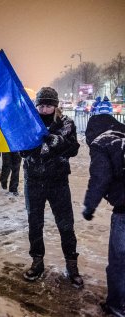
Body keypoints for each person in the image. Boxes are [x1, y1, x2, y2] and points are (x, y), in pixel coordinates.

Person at [20, 87, 82, 287]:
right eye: (41, 105)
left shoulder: (66, 124)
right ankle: (37, 261)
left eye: (48, 105)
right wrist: (32, 144)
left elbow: (74, 149)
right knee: (35, 223)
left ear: (56, 106)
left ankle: (72, 265)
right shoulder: (29, 124)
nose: (44, 109)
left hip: (58, 182)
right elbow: (22, 152)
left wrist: (57, 142)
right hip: (34, 181)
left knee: (66, 224)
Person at [82, 110, 125, 316]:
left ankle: (117, 306)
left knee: (119, 262)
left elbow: (100, 178)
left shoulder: (102, 142)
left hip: (124, 211)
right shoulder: (122, 136)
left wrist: (89, 207)